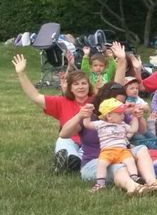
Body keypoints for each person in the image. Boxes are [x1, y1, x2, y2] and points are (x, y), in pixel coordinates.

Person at [13, 44, 126, 173]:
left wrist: (122, 60)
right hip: (71, 140)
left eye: (84, 83)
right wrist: (21, 74)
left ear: (89, 86)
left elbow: (117, 88)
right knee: (63, 141)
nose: (80, 87)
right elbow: (35, 96)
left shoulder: (96, 100)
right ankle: (70, 159)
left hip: (92, 143)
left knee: (84, 150)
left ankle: (72, 160)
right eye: (76, 84)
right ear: (70, 88)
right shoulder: (61, 102)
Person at [59, 82, 157, 195]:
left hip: (120, 154)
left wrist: (137, 116)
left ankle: (152, 183)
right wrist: (79, 115)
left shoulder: (119, 116)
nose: (120, 105)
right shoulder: (91, 117)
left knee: (142, 148)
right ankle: (134, 187)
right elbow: (64, 134)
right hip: (96, 162)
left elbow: (141, 130)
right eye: (118, 102)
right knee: (118, 167)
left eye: (122, 102)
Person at [82, 98, 140, 192]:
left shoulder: (123, 124)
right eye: (120, 113)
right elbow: (87, 124)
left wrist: (135, 117)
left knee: (130, 161)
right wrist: (87, 114)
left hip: (122, 151)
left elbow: (133, 129)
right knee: (101, 165)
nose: (123, 115)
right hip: (107, 151)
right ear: (109, 116)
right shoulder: (100, 124)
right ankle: (100, 184)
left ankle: (135, 178)